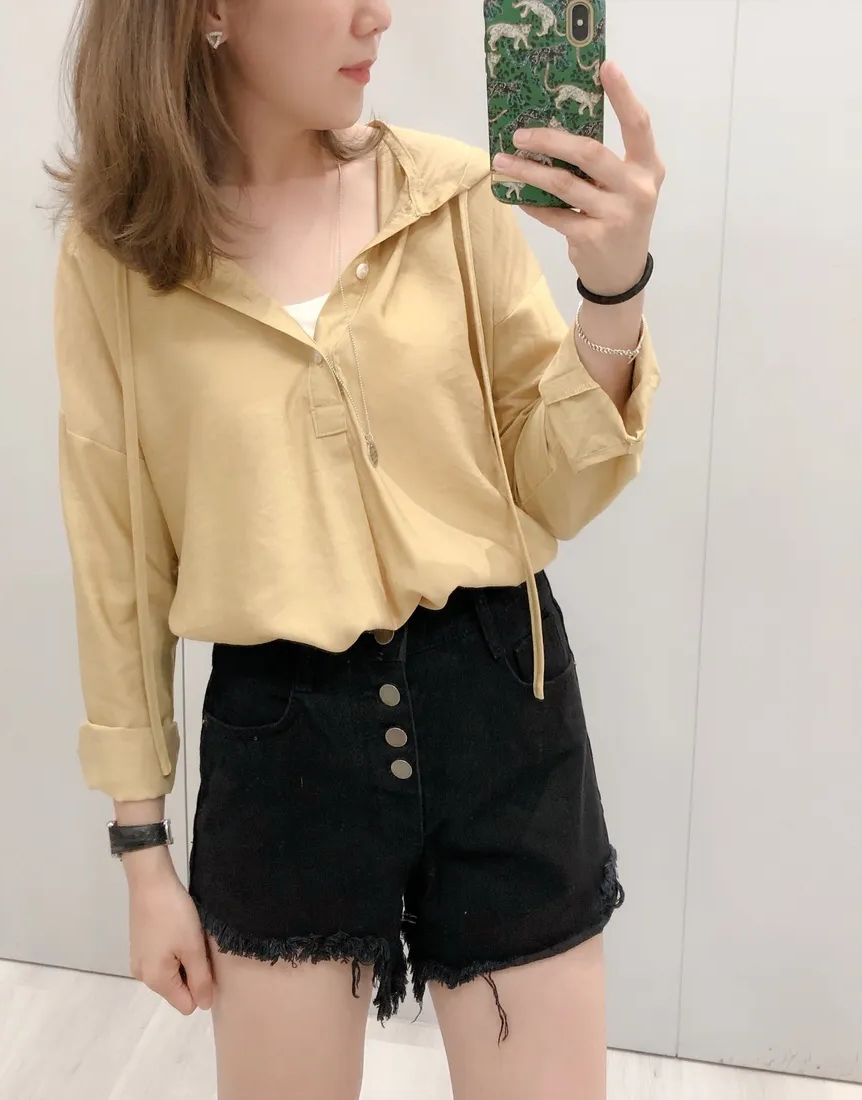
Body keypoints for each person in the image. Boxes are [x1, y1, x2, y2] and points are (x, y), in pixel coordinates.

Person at [48, 1, 664, 1096]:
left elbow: (555, 483)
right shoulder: (119, 260)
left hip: (498, 709)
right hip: (282, 743)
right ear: (208, 11)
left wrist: (611, 291)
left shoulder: (451, 197)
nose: (379, 14)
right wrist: (141, 854)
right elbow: (118, 563)